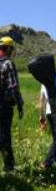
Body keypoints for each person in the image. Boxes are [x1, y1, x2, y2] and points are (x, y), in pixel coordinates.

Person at [0, 36, 23, 172]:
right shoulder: (8, 63)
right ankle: (9, 167)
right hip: (4, 106)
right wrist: (19, 104)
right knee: (5, 135)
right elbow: (13, 86)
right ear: (8, 48)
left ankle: (9, 165)